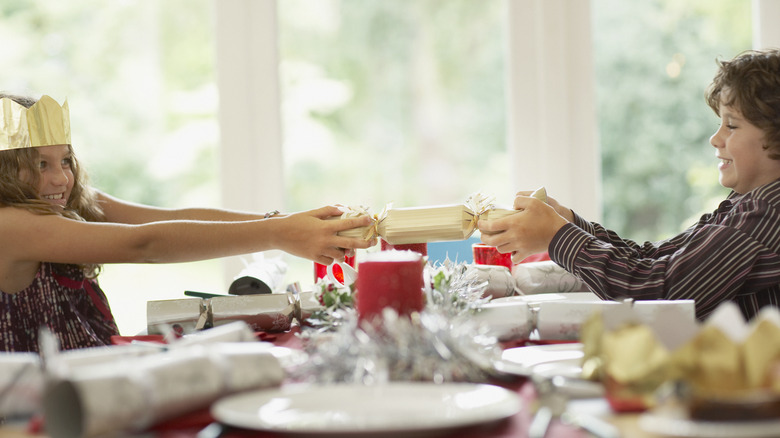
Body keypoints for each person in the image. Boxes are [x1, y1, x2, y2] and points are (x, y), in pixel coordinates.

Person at [0, 93, 375, 352]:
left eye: (65, 160)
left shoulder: (73, 200)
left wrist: (283, 222)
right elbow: (144, 244)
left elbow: (171, 220)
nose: (60, 179)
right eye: (39, 164)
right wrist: (279, 234)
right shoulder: (11, 225)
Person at [479, 48, 780, 321]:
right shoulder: (746, 205)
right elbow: (652, 260)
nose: (715, 139)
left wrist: (557, 236)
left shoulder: (765, 213)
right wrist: (569, 224)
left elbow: (660, 295)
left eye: (731, 125)